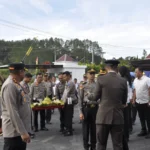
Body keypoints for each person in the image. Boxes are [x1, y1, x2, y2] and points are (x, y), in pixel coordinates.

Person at [91, 59, 127, 150]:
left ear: (107, 67)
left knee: (101, 144)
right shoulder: (123, 81)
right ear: (116, 67)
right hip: (118, 117)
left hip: (103, 117)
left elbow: (95, 97)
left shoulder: (101, 79)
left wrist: (88, 95)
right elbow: (124, 101)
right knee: (118, 145)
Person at [1, 63, 31, 150]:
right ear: (21, 72)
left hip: (19, 132)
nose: (24, 73)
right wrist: (22, 132)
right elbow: (12, 111)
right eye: (24, 71)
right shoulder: (10, 85)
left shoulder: (16, 83)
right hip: (14, 132)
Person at [79, 69, 98, 150]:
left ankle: (93, 146)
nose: (92, 75)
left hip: (95, 109)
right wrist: (80, 112)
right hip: (86, 108)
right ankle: (86, 146)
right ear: (87, 75)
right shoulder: (83, 85)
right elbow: (80, 99)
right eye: (90, 73)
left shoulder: (97, 85)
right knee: (85, 130)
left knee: (94, 129)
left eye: (93, 73)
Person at [133, 67, 150, 139]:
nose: (135, 73)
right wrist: (134, 99)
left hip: (146, 102)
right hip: (138, 101)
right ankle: (144, 130)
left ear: (140, 72)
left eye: (136, 72)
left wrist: (149, 100)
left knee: (148, 118)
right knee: (141, 117)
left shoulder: (147, 79)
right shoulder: (135, 80)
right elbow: (135, 90)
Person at [119, 66, 133, 150]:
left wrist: (125, 101)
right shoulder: (128, 79)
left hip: (124, 103)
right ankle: (126, 136)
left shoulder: (123, 80)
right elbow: (130, 91)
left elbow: (126, 92)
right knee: (126, 120)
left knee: (123, 121)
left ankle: (125, 136)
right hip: (127, 102)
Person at [62, 71, 77, 136]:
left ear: (68, 76)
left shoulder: (70, 83)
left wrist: (62, 102)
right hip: (68, 101)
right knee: (67, 116)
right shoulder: (68, 82)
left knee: (68, 116)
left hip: (69, 101)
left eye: (65, 77)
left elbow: (66, 93)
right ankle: (67, 129)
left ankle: (69, 130)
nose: (64, 78)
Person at [20, 73, 35, 139]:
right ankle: (27, 132)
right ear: (25, 77)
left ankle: (29, 130)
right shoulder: (22, 84)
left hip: (28, 103)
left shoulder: (26, 84)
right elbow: (24, 95)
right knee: (25, 119)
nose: (30, 80)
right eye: (29, 78)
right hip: (24, 104)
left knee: (29, 118)